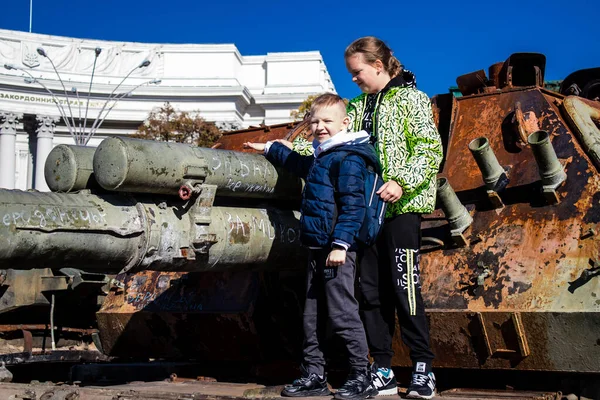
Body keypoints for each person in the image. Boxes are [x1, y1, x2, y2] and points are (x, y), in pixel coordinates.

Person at [293, 38, 443, 399]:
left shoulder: (412, 99)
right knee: (370, 293)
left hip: (400, 209)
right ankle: (385, 370)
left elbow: (429, 148)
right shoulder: (356, 107)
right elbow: (326, 139)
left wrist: (402, 181)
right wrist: (280, 150)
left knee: (405, 287)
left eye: (357, 72)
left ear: (378, 65)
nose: (354, 79)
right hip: (363, 214)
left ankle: (423, 368)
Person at [244, 93, 380, 400]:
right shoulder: (324, 157)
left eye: (326, 121)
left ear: (345, 123)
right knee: (312, 314)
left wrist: (341, 244)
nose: (319, 127)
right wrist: (268, 148)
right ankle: (314, 374)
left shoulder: (349, 158)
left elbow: (354, 206)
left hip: (337, 250)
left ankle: (362, 375)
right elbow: (298, 163)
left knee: (343, 312)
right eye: (314, 121)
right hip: (318, 247)